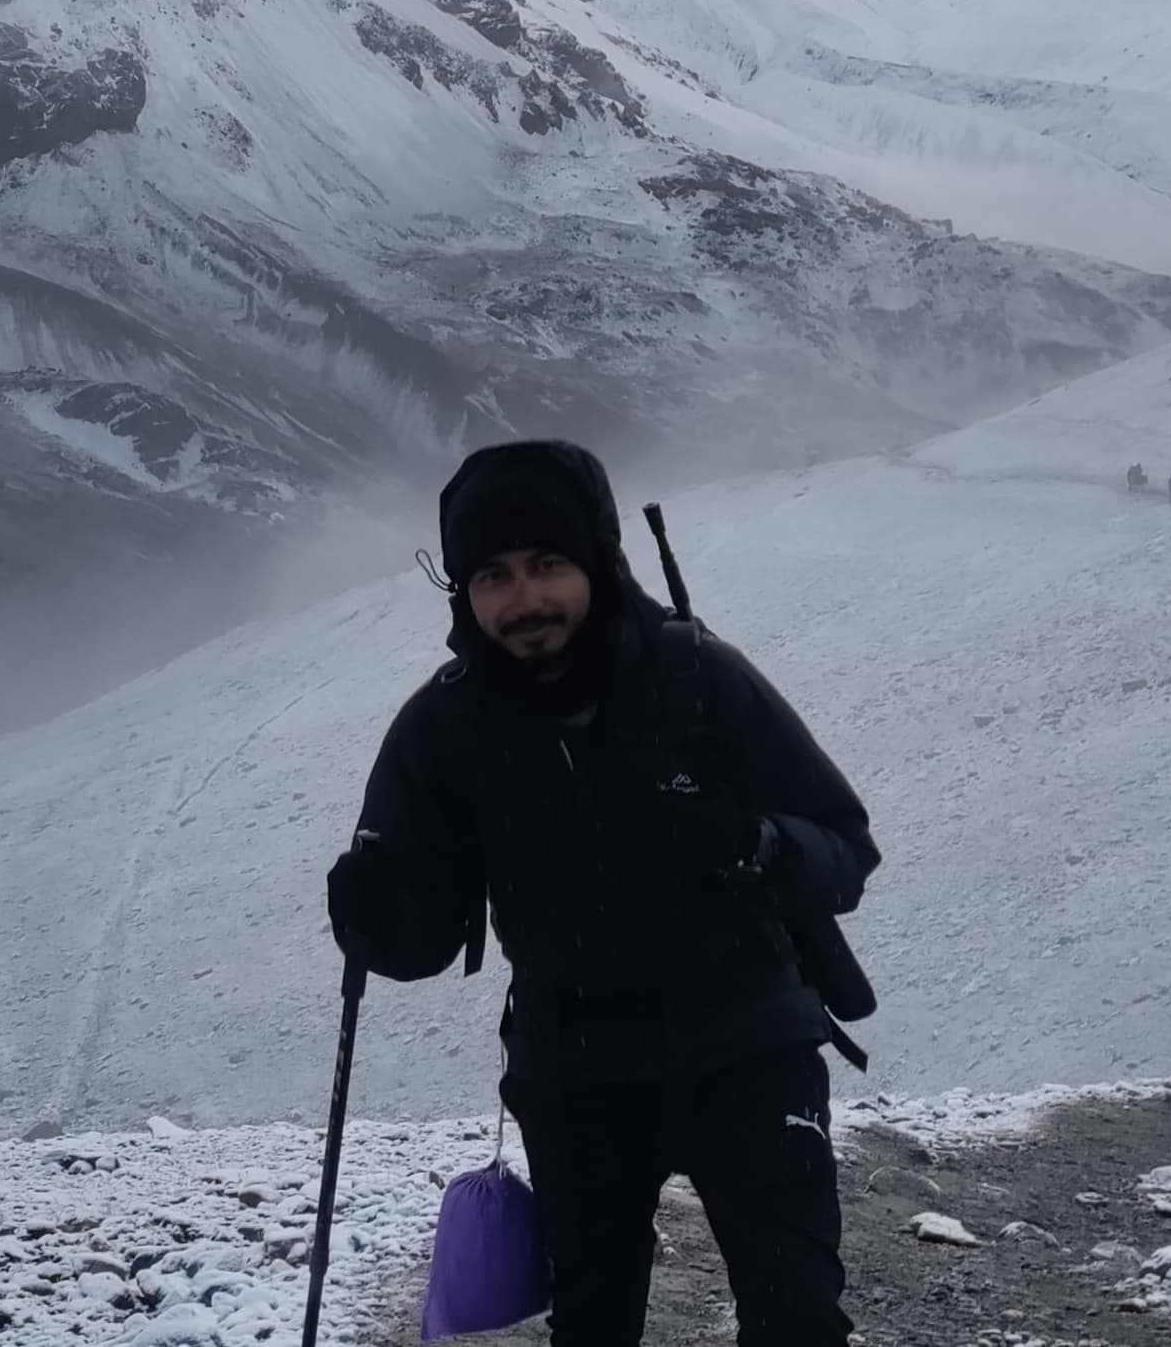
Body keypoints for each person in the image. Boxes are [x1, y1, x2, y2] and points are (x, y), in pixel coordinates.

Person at [329, 440, 880, 1347]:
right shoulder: (445, 729)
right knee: (592, 1329)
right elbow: (419, 937)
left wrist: (756, 844)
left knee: (798, 1320)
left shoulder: (695, 677)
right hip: (576, 1071)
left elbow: (846, 847)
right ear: (462, 590)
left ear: (597, 560)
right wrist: (373, 914)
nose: (525, 598)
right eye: (494, 574)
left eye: (549, 563)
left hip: (749, 1046)